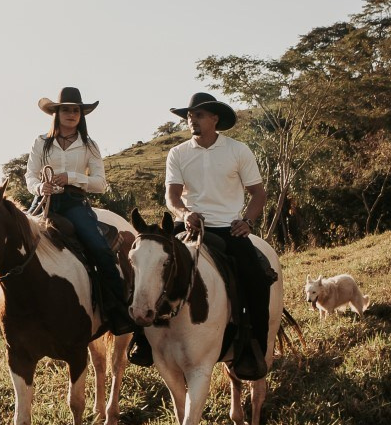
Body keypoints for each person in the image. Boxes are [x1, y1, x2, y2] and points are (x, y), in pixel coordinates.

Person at [162, 90, 277, 378]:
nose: (192, 120)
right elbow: (172, 196)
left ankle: (254, 349)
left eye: (199, 115)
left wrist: (247, 222)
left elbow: (258, 194)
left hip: (227, 227)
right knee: (151, 265)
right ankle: (144, 337)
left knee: (256, 279)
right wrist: (184, 214)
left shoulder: (238, 150)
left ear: (215, 118)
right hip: (189, 224)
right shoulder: (178, 153)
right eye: (189, 116)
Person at [26, 88, 137, 336]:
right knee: (13, 237)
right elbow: (30, 175)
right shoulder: (41, 142)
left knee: (100, 249)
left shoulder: (89, 145)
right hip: (43, 200)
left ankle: (117, 311)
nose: (71, 114)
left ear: (81, 115)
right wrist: (39, 187)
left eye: (76, 110)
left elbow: (100, 183)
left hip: (73, 203)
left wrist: (72, 178)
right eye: (66, 109)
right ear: (56, 113)